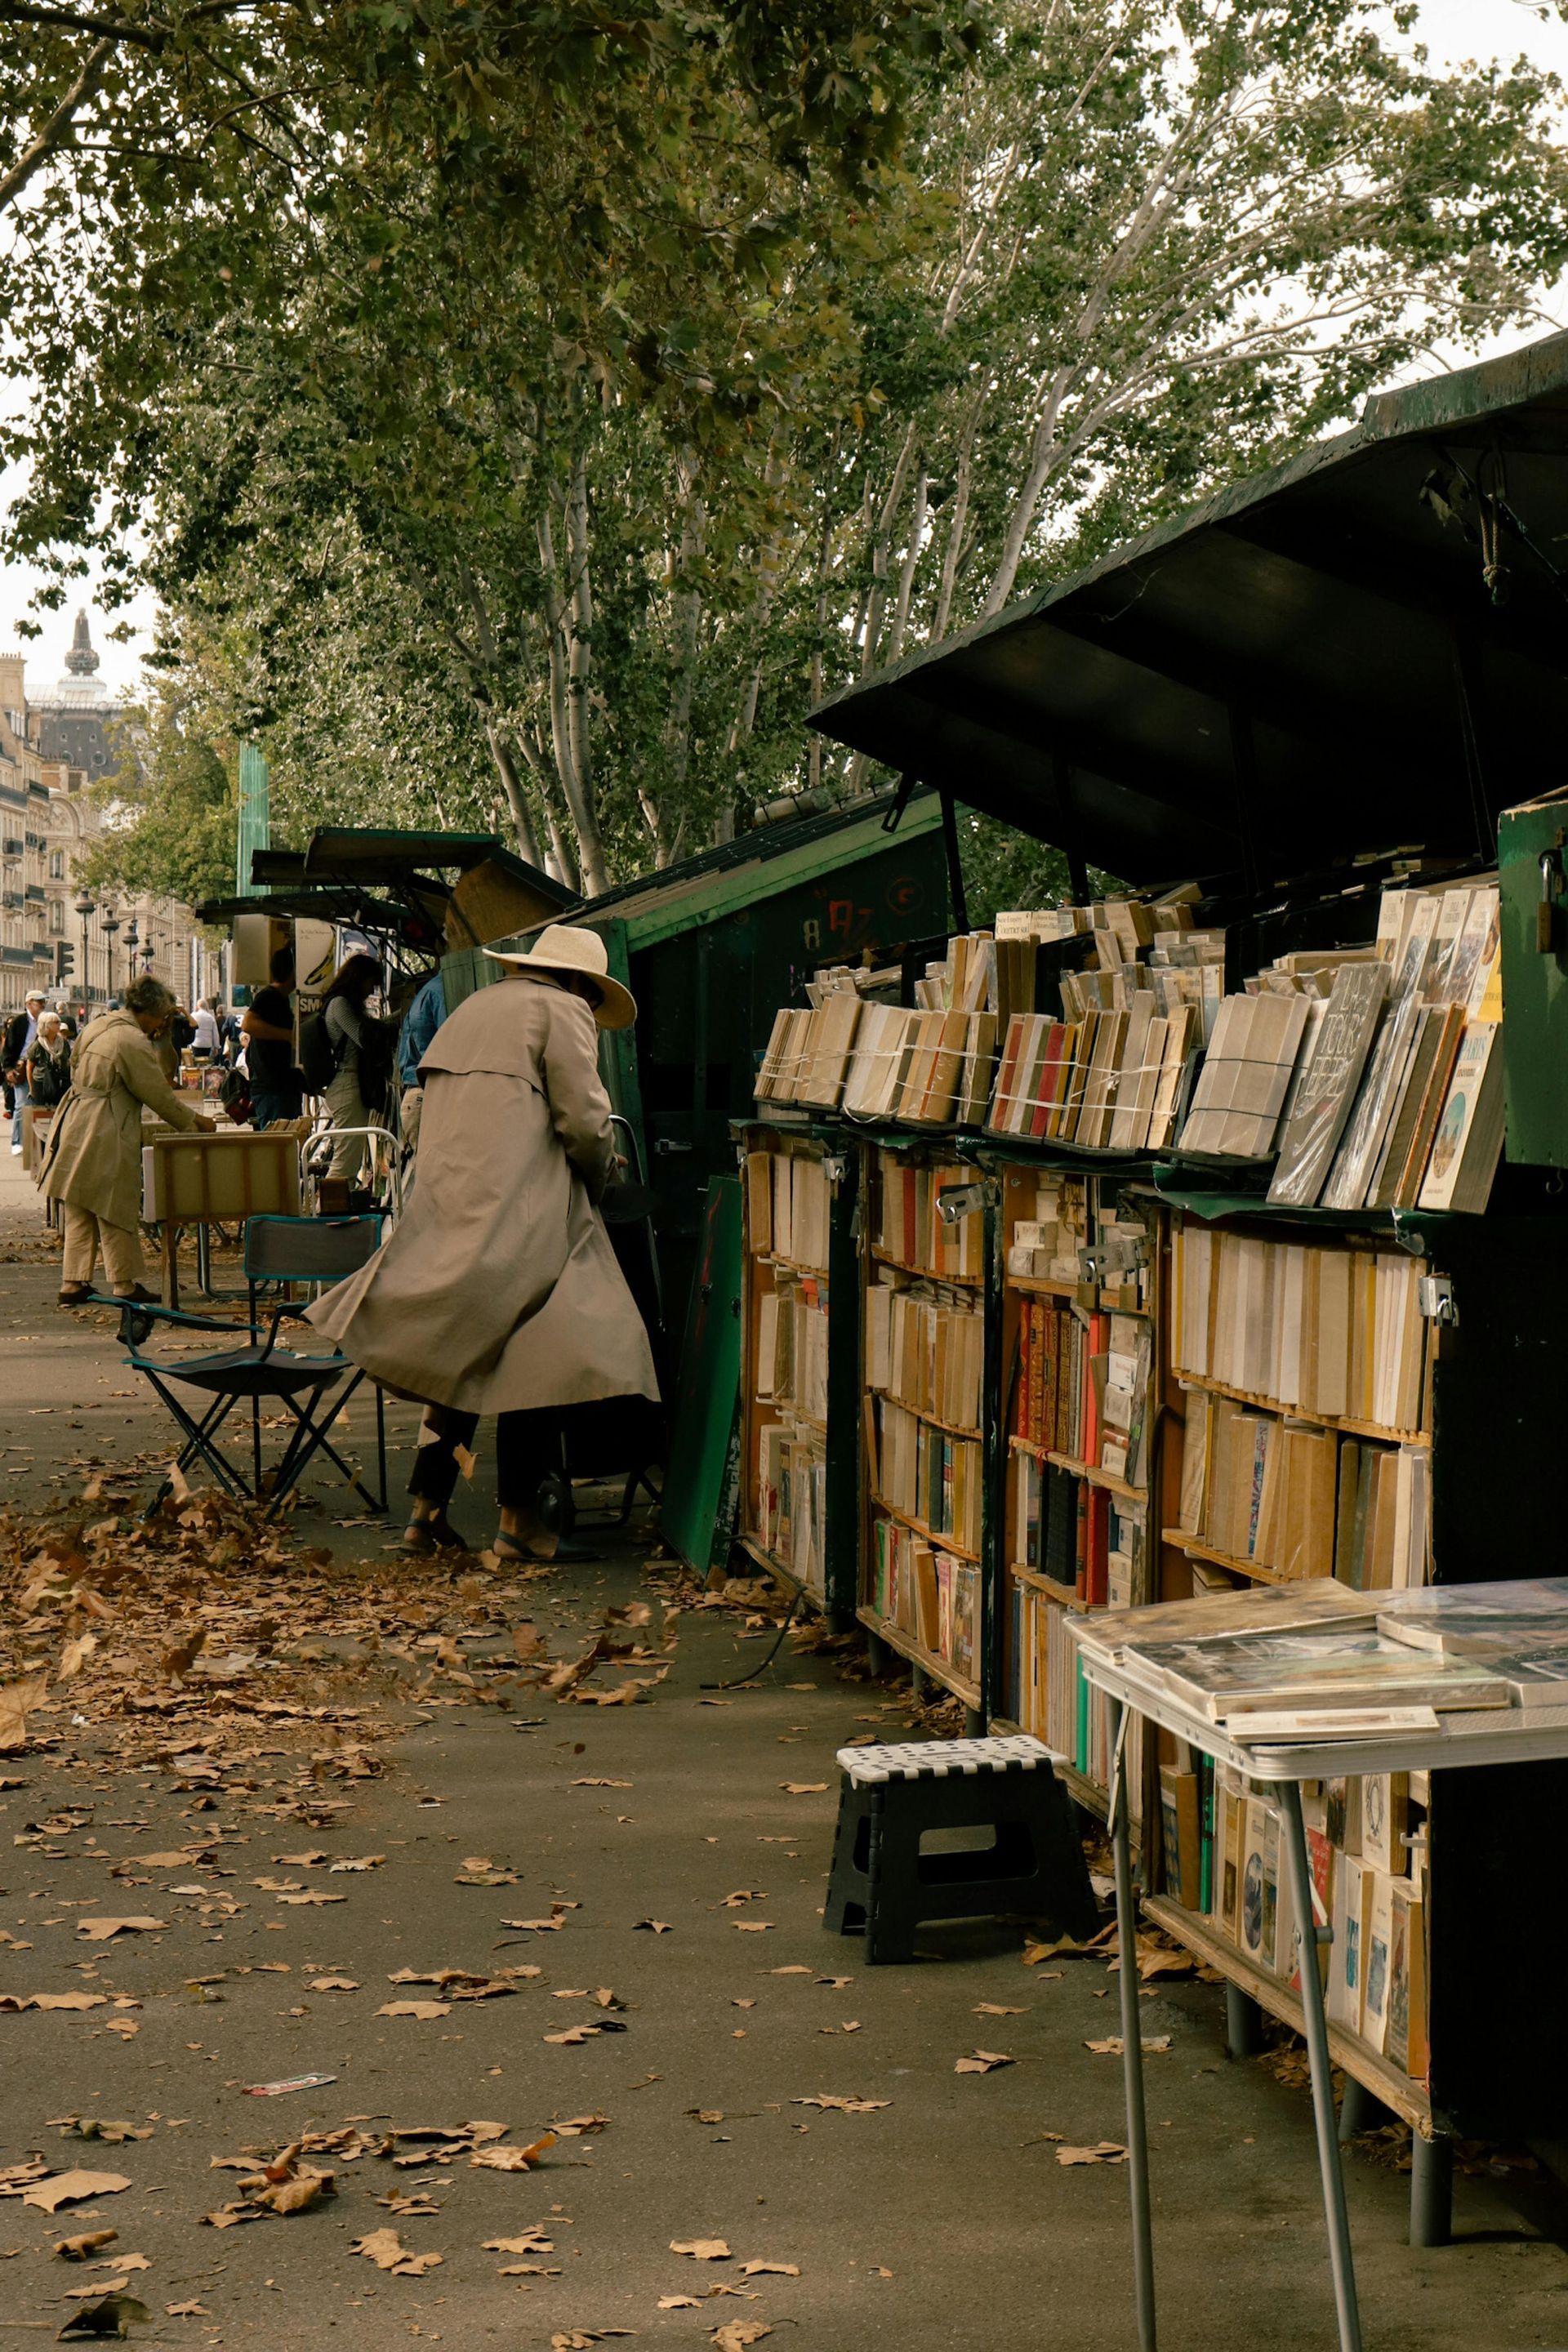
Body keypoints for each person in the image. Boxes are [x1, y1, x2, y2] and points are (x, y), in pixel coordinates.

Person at [307, 924, 658, 1560]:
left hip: (452, 1198)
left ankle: (426, 1512)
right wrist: (605, 1173)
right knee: (539, 1354)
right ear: (581, 983)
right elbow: (583, 1120)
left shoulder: (477, 1005)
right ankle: (519, 1523)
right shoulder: (564, 1009)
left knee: (461, 1349)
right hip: (524, 1205)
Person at [39, 973, 214, 1306]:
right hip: (105, 1124)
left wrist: (160, 1040)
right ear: (151, 1012)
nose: (162, 1023)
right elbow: (157, 1093)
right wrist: (194, 1122)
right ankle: (124, 1282)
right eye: (162, 1017)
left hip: (77, 1117)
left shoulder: (98, 1025)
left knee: (80, 1202)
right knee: (113, 1203)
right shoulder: (130, 1040)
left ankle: (72, 1282)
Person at [318, 951, 390, 1183]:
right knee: (346, 1160)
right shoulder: (340, 1005)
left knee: (350, 1156)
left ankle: (336, 1209)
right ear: (359, 978)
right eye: (371, 983)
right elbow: (363, 1037)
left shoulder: (341, 1004)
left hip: (347, 1085)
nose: (371, 991)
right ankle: (326, 1211)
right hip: (347, 1084)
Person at [241, 947, 305, 1129]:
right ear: (292, 972)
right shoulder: (268, 996)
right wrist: (287, 1036)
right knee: (276, 1147)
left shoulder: (282, 999)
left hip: (281, 1088)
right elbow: (248, 1023)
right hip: (273, 1090)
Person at [394, 967, 447, 1156]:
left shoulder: (428, 991)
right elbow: (449, 1039)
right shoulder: (440, 992)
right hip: (423, 1093)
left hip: (416, 1093)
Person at [3, 990, 47, 1154]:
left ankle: (35, 1142)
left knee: (39, 1106)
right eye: (38, 1001)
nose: (42, 1004)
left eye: (43, 1001)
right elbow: (8, 1047)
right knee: (21, 1105)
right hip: (21, 1067)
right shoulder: (19, 1022)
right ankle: (17, 1141)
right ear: (29, 1004)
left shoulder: (44, 1021)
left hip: (40, 1067)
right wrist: (8, 1069)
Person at [24, 1012, 72, 1113]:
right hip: (41, 1083)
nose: (59, 1024)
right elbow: (29, 1067)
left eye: (59, 1022)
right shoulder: (37, 1045)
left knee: (61, 1112)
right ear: (47, 1025)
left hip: (61, 1082)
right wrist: (31, 1088)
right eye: (56, 1022)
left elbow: (69, 1061)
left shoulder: (64, 1043)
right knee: (41, 1114)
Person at [191, 998, 220, 1062]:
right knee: (206, 1061)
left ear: (197, 1006)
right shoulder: (210, 1017)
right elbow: (215, 1033)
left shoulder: (193, 1016)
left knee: (196, 1061)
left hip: (196, 1042)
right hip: (207, 1044)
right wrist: (216, 1046)